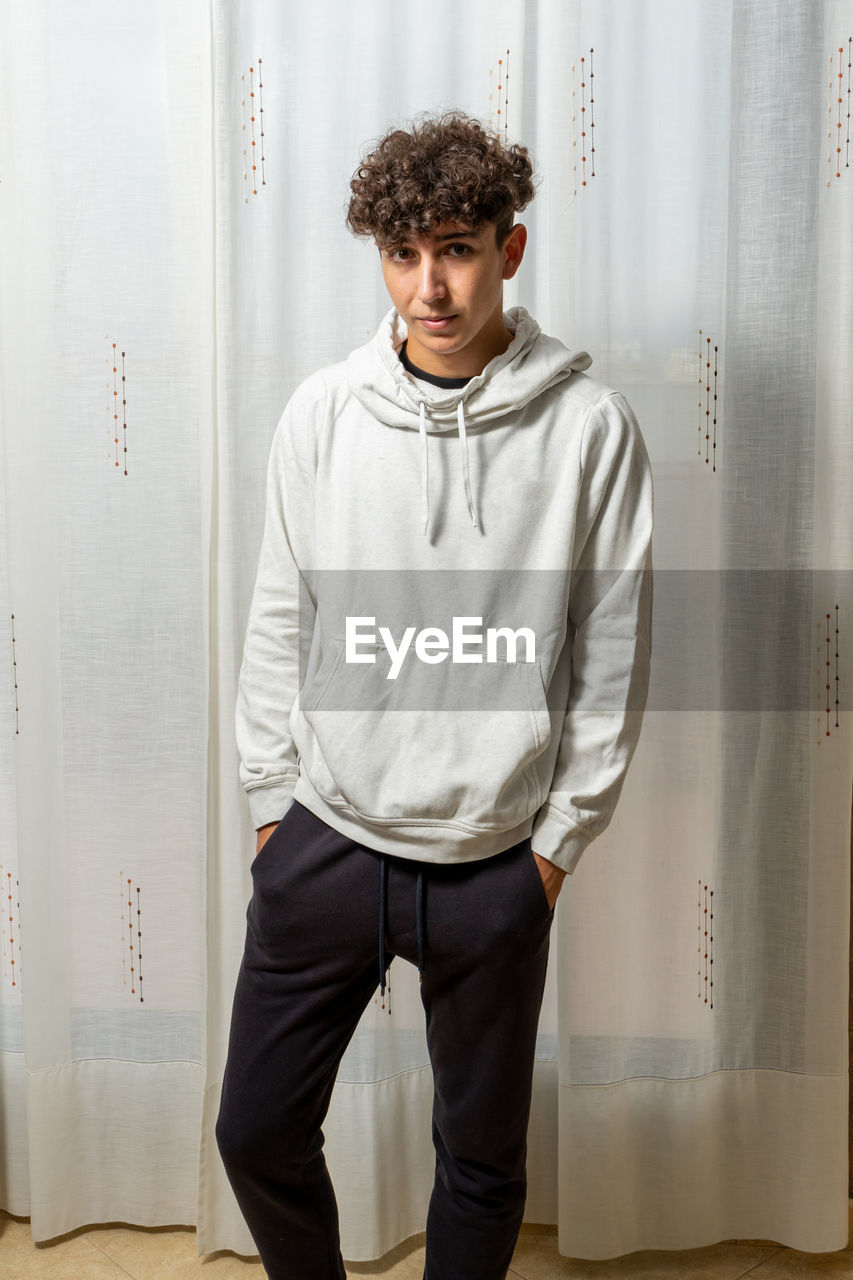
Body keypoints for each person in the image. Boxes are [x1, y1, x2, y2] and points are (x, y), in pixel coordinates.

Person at [215, 110, 654, 1280]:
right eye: (404, 255)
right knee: (253, 1128)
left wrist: (552, 849)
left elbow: (610, 659)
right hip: (326, 839)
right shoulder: (323, 413)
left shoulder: (589, 430)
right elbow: (276, 619)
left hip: (491, 860)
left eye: (456, 248)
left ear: (508, 249)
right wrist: (271, 806)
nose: (430, 286)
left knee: (479, 1158)